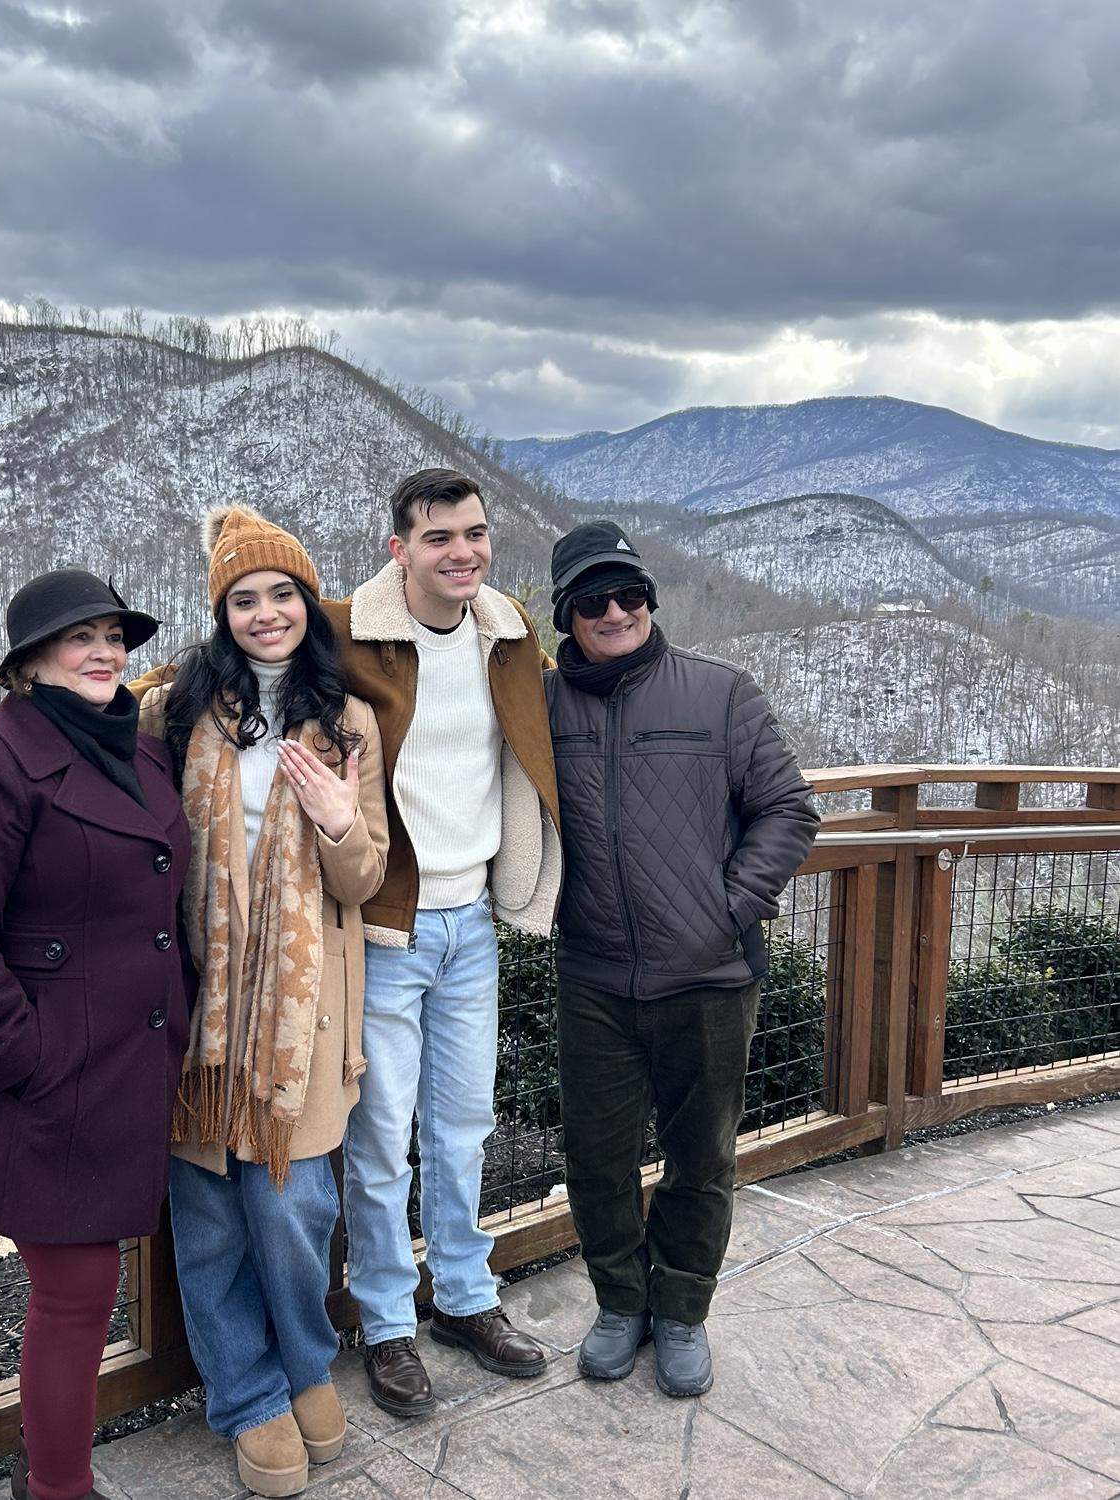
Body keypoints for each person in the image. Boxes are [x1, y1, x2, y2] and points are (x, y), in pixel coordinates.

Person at [0, 569, 192, 1500]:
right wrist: (27, 1058)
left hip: (132, 1067)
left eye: (115, 636)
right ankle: (57, 1490)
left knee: (84, 1292)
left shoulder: (142, 753)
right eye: (81, 638)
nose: (105, 652)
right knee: (76, 1296)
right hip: (51, 1084)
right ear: (29, 664)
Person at [136, 508, 388, 1499]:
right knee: (208, 1215)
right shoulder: (177, 713)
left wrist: (338, 820)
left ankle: (305, 1364)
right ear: (222, 614)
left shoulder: (348, 720)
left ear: (308, 605)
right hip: (198, 1000)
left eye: (283, 593)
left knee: (294, 1206)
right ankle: (246, 1396)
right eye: (244, 599)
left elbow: (364, 880)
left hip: (303, 1008)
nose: (266, 612)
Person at [544, 520, 820, 1397]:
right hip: (593, 975)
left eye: (629, 593)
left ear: (650, 600)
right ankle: (621, 1303)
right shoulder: (540, 708)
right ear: (567, 614)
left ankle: (684, 1309)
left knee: (701, 1159)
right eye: (594, 599)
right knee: (596, 1158)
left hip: (710, 976)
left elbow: (789, 809)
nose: (615, 611)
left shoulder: (720, 692)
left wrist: (726, 910)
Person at [328, 469, 562, 1416]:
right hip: (390, 922)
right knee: (382, 1140)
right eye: (439, 538)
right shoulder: (349, 633)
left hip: (473, 922)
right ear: (400, 550)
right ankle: (387, 1321)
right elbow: (233, 665)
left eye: (475, 533)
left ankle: (465, 1297)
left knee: (464, 1126)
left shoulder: (507, 633)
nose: (462, 552)